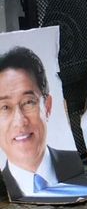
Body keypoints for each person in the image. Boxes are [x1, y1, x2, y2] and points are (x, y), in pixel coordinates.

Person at [0, 46, 82, 199]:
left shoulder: (75, 167)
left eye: (28, 102)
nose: (20, 121)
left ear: (48, 106)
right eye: (5, 107)